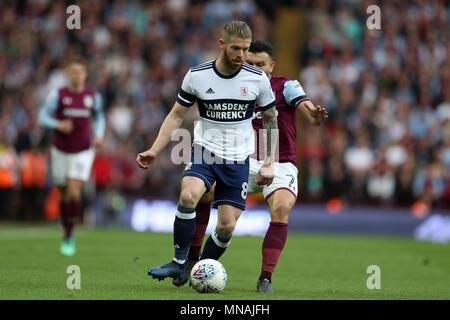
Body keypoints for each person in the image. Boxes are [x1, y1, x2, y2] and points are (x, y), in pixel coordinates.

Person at [173, 40, 328, 293]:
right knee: (210, 199)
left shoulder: (286, 86)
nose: (256, 68)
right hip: (241, 160)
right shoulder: (236, 84)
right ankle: (193, 258)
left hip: (279, 163)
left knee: (281, 208)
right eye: (251, 63)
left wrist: (315, 116)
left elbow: (308, 111)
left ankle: (265, 277)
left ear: (272, 65)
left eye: (261, 64)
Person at [136, 21, 278, 282]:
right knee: (189, 195)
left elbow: (270, 119)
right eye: (235, 48)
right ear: (222, 44)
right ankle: (179, 262)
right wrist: (155, 149)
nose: (240, 55)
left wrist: (269, 162)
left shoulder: (257, 79)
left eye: (245, 50)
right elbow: (176, 115)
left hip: (238, 159)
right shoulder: (198, 75)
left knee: (226, 226)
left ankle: (199, 269)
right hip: (205, 152)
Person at [38, 56, 105, 256]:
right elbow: (42, 117)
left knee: (75, 190)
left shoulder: (92, 97)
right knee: (63, 191)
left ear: (85, 75)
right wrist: (57, 124)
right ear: (68, 75)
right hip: (60, 150)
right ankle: (67, 226)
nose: (77, 75)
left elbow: (99, 117)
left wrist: (98, 136)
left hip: (83, 150)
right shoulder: (58, 95)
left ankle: (69, 234)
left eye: (80, 72)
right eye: (73, 72)